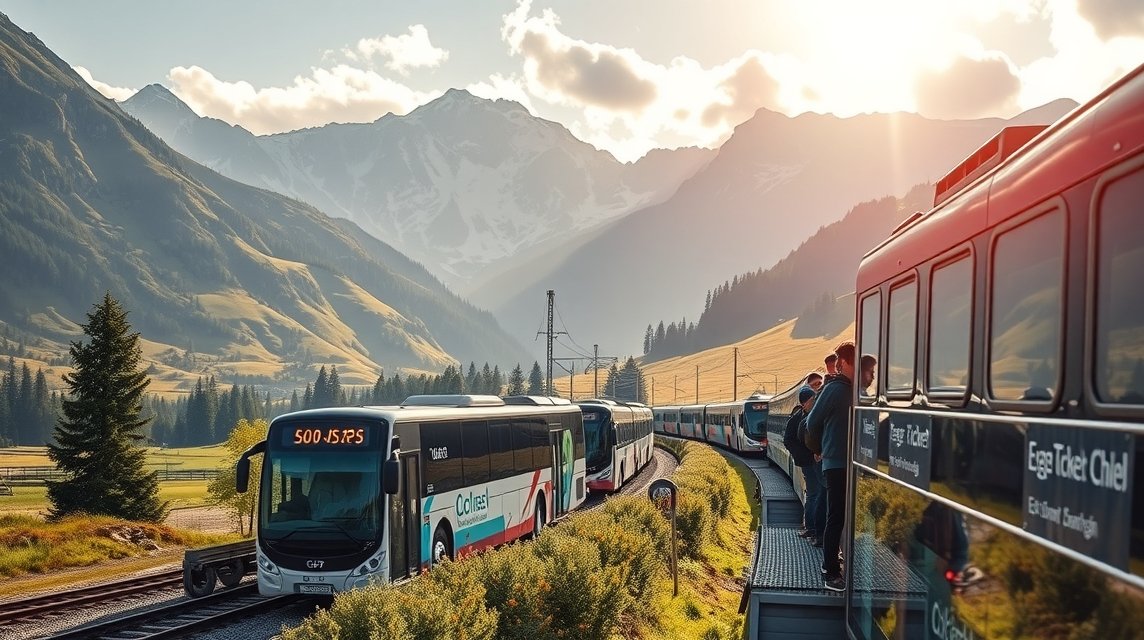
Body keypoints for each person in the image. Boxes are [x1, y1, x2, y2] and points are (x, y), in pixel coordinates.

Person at [806, 340, 856, 592]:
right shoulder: (835, 389)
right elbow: (811, 422)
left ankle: (837, 562)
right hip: (835, 463)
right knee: (835, 516)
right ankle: (830, 571)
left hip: (847, 462)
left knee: (842, 515)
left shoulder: (851, 388)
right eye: (856, 363)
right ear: (844, 363)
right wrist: (819, 449)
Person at [784, 386, 822, 544]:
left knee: (814, 494)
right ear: (805, 403)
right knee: (815, 494)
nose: (816, 401)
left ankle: (811, 527)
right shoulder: (798, 419)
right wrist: (808, 455)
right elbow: (788, 440)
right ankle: (813, 529)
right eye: (813, 399)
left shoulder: (806, 415)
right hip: (809, 462)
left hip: (812, 461)